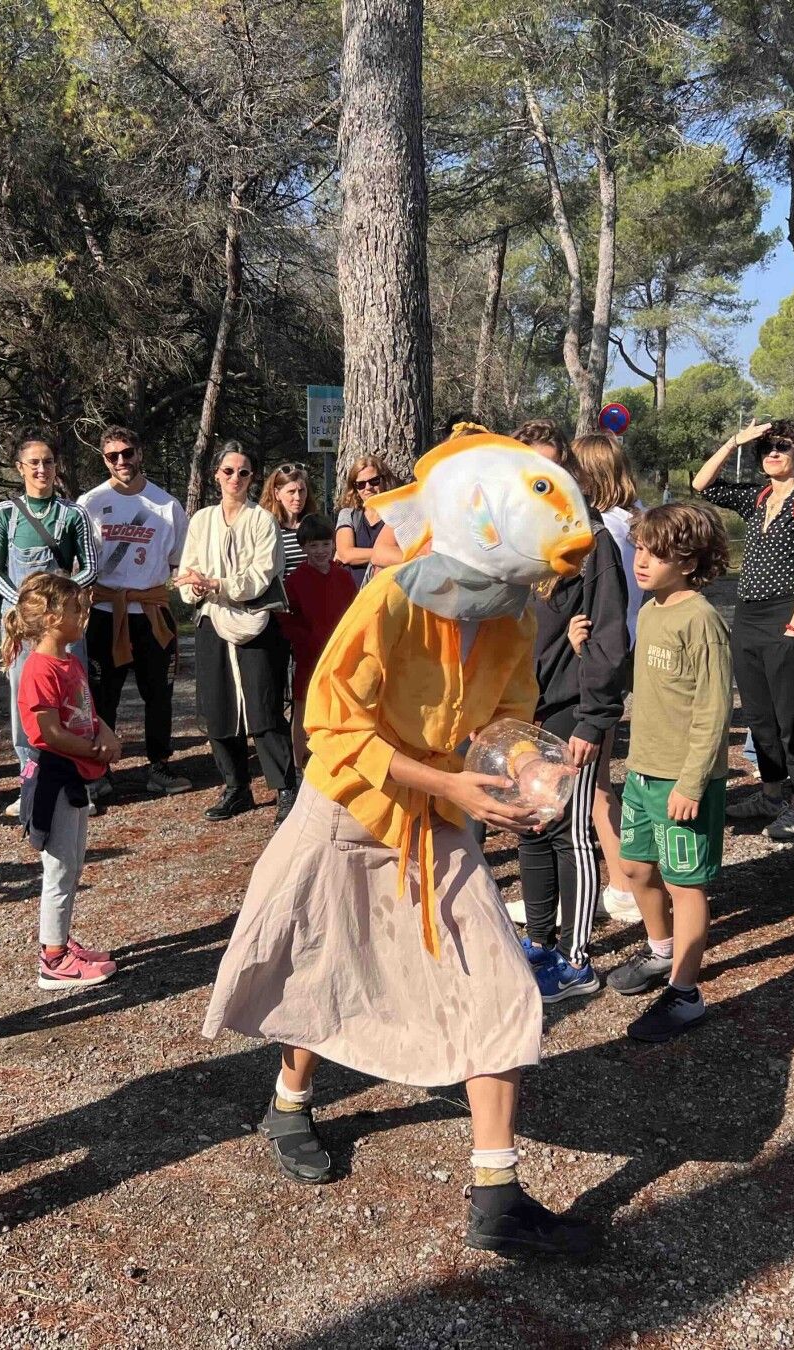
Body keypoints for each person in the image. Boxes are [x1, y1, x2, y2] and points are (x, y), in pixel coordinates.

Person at [203, 426, 597, 1256]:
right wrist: (449, 785)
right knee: (322, 960)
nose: (516, 599)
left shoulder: (515, 618)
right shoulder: (388, 601)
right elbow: (331, 731)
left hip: (440, 818)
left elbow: (507, 717)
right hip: (350, 810)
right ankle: (289, 1100)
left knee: (500, 987)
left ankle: (497, 1192)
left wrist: (525, 772)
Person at [603, 504, 734, 1041]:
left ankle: (686, 994)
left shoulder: (700, 618)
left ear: (689, 559)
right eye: (639, 548)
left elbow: (715, 707)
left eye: (656, 553)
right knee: (635, 869)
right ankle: (661, 952)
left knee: (686, 885)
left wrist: (692, 782)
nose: (641, 560)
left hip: (684, 781)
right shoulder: (652, 610)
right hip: (642, 772)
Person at [512, 421, 631, 1004]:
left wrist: (594, 717)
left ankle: (575, 958)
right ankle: (538, 943)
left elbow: (609, 637)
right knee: (531, 827)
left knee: (568, 831)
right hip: (518, 712)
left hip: (570, 708)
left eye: (552, 470)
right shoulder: (507, 541)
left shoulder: (592, 544)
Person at [694, 419, 794, 842]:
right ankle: (771, 794)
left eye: (783, 447)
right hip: (748, 617)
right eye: (767, 448)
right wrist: (736, 441)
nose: (773, 453)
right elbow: (703, 485)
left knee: (792, 714)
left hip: (784, 617)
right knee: (758, 714)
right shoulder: (755, 498)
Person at [0, 573, 122, 989]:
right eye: (75, 609)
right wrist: (94, 750)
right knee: (59, 867)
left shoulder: (69, 660)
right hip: (54, 777)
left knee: (72, 863)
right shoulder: (38, 668)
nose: (83, 614)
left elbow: (85, 709)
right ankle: (52, 959)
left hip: (74, 773)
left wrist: (104, 733)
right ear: (52, 618)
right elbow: (47, 733)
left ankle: (62, 942)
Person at [176, 443, 298, 823]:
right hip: (212, 619)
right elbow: (187, 569)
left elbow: (263, 575)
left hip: (256, 621)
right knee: (217, 706)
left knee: (263, 706)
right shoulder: (201, 520)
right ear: (216, 475)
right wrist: (194, 587)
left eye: (243, 472)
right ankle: (236, 787)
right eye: (228, 471)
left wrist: (217, 584)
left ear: (252, 478)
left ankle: (284, 790)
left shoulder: (262, 521)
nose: (235, 478)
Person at [0, 433, 98, 817]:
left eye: (48, 461)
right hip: (20, 624)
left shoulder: (72, 515)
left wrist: (63, 603)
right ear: (19, 468)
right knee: (26, 702)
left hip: (63, 624)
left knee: (72, 697)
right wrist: (26, 608)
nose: (41, 469)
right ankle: (29, 779)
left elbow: (90, 567)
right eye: (33, 462)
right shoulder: (5, 513)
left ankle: (79, 776)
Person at [77, 426, 191, 802]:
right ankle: (99, 768)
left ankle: (158, 765)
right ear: (103, 459)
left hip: (151, 612)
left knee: (158, 692)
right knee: (100, 692)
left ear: (140, 453)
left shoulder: (166, 505)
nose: (122, 461)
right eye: (113, 456)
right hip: (105, 610)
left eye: (127, 453)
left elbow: (180, 562)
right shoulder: (89, 503)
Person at [570, 429, 646, 925]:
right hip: (624, 650)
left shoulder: (604, 531)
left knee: (593, 781)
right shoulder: (633, 518)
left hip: (601, 655)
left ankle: (621, 884)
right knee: (597, 778)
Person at [276, 514, 356, 771]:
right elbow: (286, 620)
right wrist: (306, 640)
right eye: (313, 546)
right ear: (304, 548)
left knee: (342, 709)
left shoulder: (343, 577)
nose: (320, 551)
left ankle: (340, 760)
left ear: (333, 544)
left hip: (342, 656)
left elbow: (355, 612)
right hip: (310, 657)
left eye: (325, 544)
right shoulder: (295, 580)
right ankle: (299, 766)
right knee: (303, 711)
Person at [333, 454, 401, 586]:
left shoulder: (398, 515)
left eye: (374, 481)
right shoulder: (348, 515)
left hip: (388, 591)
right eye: (361, 484)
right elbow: (346, 554)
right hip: (353, 595)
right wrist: (387, 555)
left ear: (384, 480)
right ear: (354, 488)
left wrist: (357, 555)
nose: (368, 487)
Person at [260, 462, 316, 576]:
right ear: (277, 494)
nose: (298, 498)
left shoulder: (315, 527)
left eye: (301, 491)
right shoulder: (268, 530)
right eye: (291, 492)